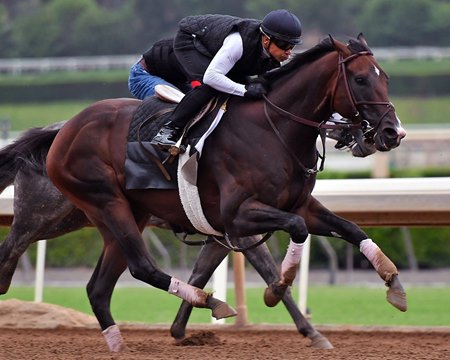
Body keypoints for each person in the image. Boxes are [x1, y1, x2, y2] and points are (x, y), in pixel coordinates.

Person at [149, 9, 303, 150]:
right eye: (284, 44)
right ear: (266, 40)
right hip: (192, 41)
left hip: (216, 49)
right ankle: (168, 131)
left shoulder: (274, 53)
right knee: (211, 87)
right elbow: (211, 77)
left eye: (292, 46)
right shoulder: (238, 42)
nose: (288, 51)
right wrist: (244, 90)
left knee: (253, 90)